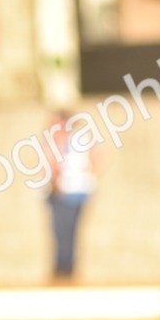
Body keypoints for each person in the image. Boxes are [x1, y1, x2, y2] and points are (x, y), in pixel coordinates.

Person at [44, 110, 100, 283]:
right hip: (58, 194)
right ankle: (61, 273)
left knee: (68, 236)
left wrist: (91, 173)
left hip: (74, 194)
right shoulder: (54, 142)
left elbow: (97, 155)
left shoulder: (79, 141)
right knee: (60, 236)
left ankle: (66, 274)